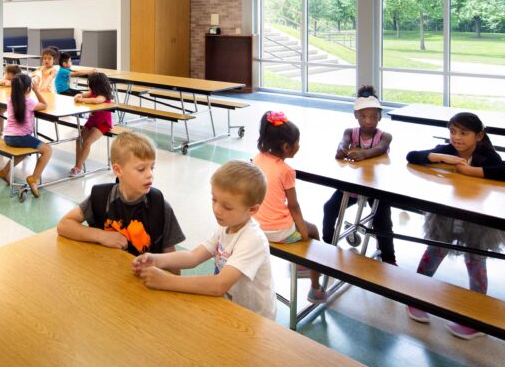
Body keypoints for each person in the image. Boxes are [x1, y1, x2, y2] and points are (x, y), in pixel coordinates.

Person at [405, 112, 505, 340]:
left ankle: (477, 319)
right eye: (453, 132)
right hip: (446, 217)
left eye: (464, 133)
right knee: (433, 253)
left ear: (479, 136)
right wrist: (442, 158)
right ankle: (415, 298)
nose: (457, 138)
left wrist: (468, 170)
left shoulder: (486, 155)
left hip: (477, 221)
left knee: (475, 262)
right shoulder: (447, 150)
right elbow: (412, 156)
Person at [131, 160, 276, 320]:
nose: (217, 209)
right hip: (229, 308)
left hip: (254, 318)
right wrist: (156, 260)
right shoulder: (227, 226)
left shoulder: (252, 239)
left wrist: (166, 281)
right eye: (214, 200)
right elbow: (193, 257)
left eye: (227, 207)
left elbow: (219, 285)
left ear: (253, 209)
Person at [57, 130, 184, 256]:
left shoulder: (160, 205)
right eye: (141, 169)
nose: (150, 174)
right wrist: (102, 236)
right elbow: (64, 225)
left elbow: (171, 258)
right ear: (118, 170)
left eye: (152, 168)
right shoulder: (103, 197)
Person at [251, 111, 325, 303]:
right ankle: (315, 288)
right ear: (286, 147)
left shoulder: (257, 159)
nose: (299, 146)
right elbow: (293, 206)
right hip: (278, 232)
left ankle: (304, 266)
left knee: (305, 230)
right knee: (314, 231)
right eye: (297, 143)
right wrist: (303, 231)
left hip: (255, 226)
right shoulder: (286, 171)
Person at [324, 85, 396, 265]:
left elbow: (379, 149)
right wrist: (341, 150)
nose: (369, 121)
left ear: (380, 116)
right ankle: (327, 243)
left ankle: (388, 256)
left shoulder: (385, 136)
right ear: (356, 115)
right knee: (329, 207)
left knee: (383, 221)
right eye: (363, 116)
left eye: (373, 117)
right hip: (352, 187)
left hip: (375, 188)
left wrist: (364, 154)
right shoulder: (350, 132)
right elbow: (344, 142)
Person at [0, 73, 51, 197]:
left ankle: (4, 171)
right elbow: (45, 105)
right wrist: (37, 91)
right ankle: (34, 178)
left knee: (25, 151)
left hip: (8, 137)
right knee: (47, 150)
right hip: (20, 137)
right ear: (29, 89)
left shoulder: (10, 99)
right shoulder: (29, 101)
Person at [69, 72, 115, 177]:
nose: (89, 87)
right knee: (79, 140)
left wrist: (81, 100)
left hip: (102, 123)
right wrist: (79, 95)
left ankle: (78, 168)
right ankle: (77, 164)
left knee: (87, 142)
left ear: (98, 85)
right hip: (92, 121)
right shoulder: (93, 91)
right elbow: (84, 94)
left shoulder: (103, 96)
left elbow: (95, 101)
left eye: (91, 84)